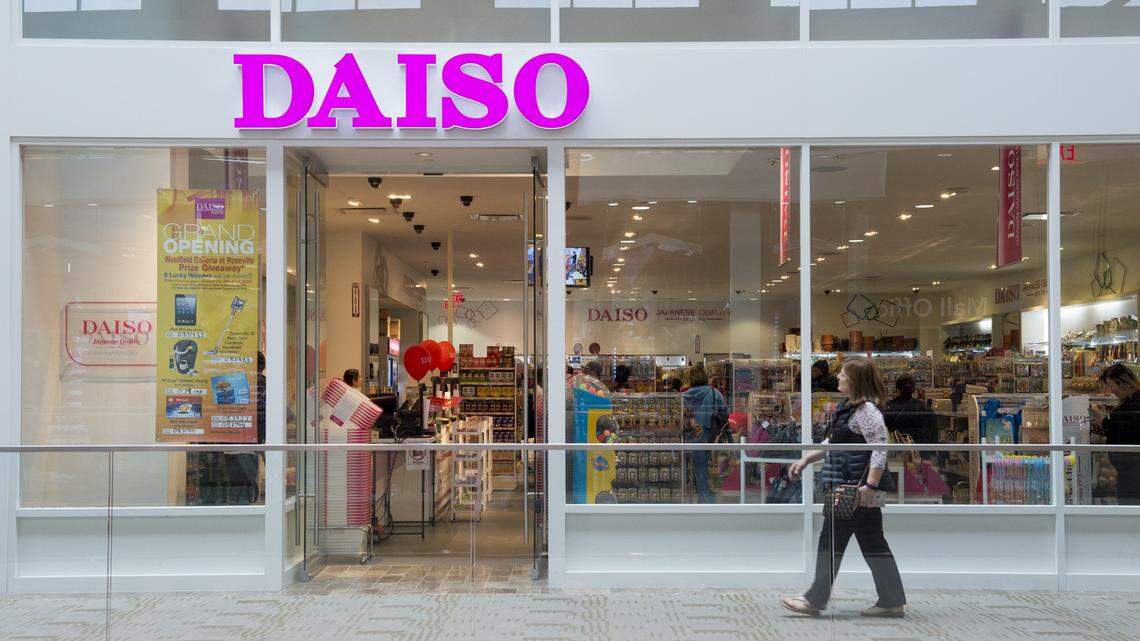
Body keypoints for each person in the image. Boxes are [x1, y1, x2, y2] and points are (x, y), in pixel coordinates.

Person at [781, 358, 906, 618]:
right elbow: (835, 441)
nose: (837, 377)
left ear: (854, 381)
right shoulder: (851, 408)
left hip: (854, 489)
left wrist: (869, 486)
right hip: (856, 488)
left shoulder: (867, 411)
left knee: (831, 540)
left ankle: (814, 600)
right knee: (873, 542)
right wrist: (807, 458)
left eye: (842, 374)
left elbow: (880, 449)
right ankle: (891, 600)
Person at [1091, 363, 1140, 505]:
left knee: (1130, 505)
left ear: (1124, 382)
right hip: (1128, 467)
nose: (1111, 391)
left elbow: (1126, 431)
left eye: (1112, 385)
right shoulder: (1128, 400)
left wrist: (1105, 423)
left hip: (1133, 468)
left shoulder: (1134, 404)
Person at [682, 365, 729, 503]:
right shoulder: (714, 393)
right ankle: (706, 501)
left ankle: (694, 501)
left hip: (689, 439)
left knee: (694, 472)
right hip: (711, 438)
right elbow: (726, 413)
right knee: (708, 472)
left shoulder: (683, 397)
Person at [882, 375, 936, 444]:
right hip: (918, 450)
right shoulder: (923, 407)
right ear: (913, 389)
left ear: (897, 389)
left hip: (896, 450)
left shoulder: (888, 406)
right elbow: (933, 435)